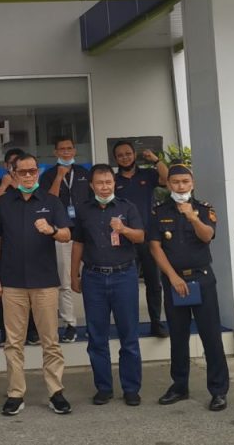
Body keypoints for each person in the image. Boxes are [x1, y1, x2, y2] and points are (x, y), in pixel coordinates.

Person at [0, 153, 73, 416]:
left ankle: (56, 392)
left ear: (38, 172)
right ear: (13, 174)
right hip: (11, 283)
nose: (28, 176)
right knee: (13, 342)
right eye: (22, 172)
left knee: (50, 341)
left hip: (45, 282)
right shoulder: (3, 203)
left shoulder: (51, 201)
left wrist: (52, 230)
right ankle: (15, 394)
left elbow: (67, 234)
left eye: (33, 171)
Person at [148, 163, 230, 411]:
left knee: (211, 335)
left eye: (185, 182)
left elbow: (207, 236)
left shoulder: (204, 209)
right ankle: (179, 386)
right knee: (178, 336)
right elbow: (155, 247)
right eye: (176, 182)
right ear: (168, 184)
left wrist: (192, 217)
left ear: (192, 183)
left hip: (201, 279)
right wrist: (173, 277)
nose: (181, 186)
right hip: (175, 281)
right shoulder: (158, 211)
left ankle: (218, 390)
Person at [71, 164, 145, 406]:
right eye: (100, 183)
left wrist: (123, 229)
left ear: (114, 183)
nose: (104, 187)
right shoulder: (84, 210)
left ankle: (131, 388)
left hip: (124, 276)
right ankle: (103, 387)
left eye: (108, 182)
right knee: (97, 337)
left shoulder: (127, 207)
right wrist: (74, 274)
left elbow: (140, 236)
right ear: (92, 185)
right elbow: (78, 243)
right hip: (93, 277)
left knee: (129, 335)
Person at [112, 140, 169, 338]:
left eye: (128, 153)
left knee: (154, 283)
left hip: (149, 237)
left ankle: (156, 322)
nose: (125, 157)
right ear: (115, 158)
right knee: (127, 286)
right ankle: (130, 326)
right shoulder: (113, 180)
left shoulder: (148, 174)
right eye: (120, 155)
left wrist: (155, 160)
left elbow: (166, 178)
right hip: (125, 238)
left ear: (134, 155)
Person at [0, 148, 38, 346]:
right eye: (13, 164)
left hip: (31, 250)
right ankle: (5, 331)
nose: (24, 172)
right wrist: (4, 186)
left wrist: (17, 186)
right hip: (5, 248)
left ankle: (31, 330)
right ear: (8, 166)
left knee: (32, 290)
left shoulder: (33, 187)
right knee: (5, 291)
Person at [40, 137, 90, 343]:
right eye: (62, 149)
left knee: (91, 278)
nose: (66, 152)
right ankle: (70, 324)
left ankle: (93, 322)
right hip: (63, 233)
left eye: (69, 148)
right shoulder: (48, 175)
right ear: (55, 152)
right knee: (65, 281)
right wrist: (59, 177)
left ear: (75, 151)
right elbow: (48, 201)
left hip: (86, 233)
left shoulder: (85, 173)